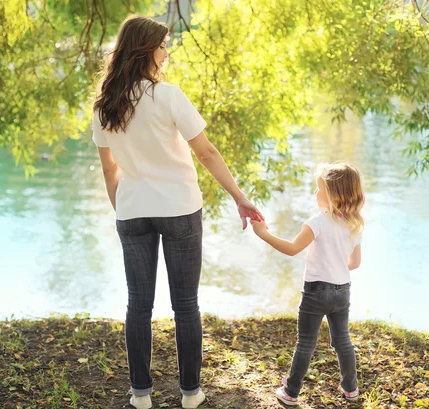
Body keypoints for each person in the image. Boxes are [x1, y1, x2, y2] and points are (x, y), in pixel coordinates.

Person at [92, 15, 264, 409]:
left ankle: (141, 396)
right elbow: (206, 153)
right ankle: (190, 394)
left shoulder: (106, 105)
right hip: (179, 209)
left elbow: (108, 168)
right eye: (163, 45)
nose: (166, 53)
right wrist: (239, 196)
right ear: (146, 51)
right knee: (185, 304)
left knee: (139, 304)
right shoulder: (168, 96)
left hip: (133, 210)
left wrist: (123, 206)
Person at [250, 163, 364, 406]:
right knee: (342, 340)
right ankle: (351, 390)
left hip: (316, 292)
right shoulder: (355, 224)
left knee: (306, 342)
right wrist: (336, 263)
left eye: (318, 189)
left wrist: (263, 233)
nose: (315, 193)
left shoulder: (317, 222)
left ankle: (290, 392)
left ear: (333, 194)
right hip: (342, 290)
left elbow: (292, 249)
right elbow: (354, 262)